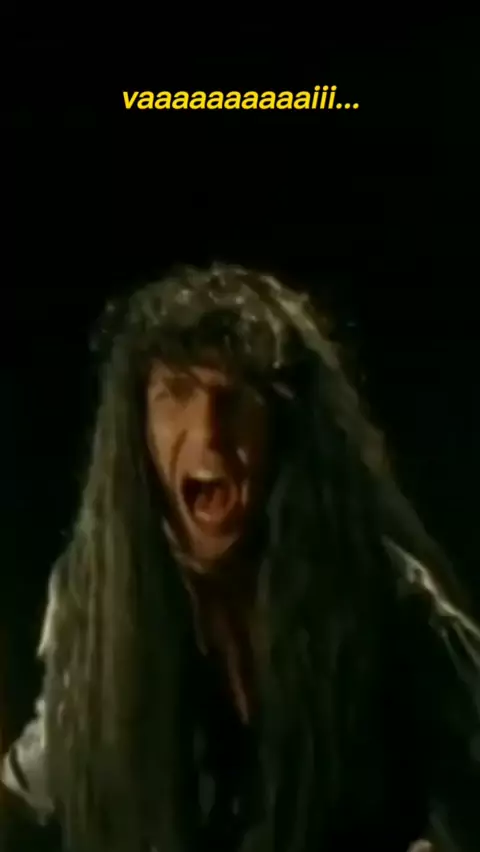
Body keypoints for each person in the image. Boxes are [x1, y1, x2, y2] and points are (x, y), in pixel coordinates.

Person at [1, 264, 479, 852]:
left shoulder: (386, 597)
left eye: (235, 398)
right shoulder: (96, 597)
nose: (208, 433)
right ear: (138, 427)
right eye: (176, 393)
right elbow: (45, 770)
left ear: (284, 425)